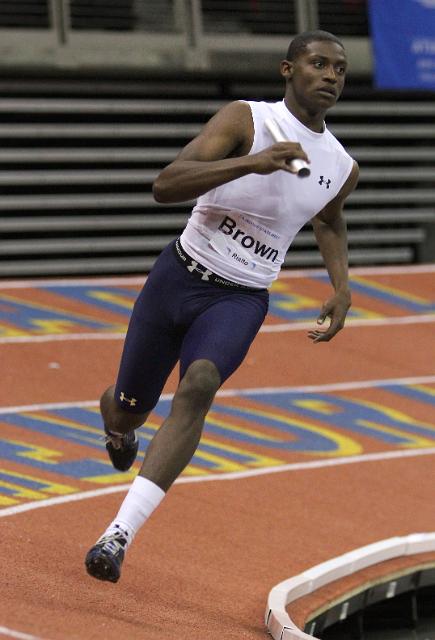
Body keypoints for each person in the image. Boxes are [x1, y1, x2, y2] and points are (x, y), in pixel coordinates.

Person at [85, 29, 359, 583]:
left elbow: (328, 220)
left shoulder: (340, 164)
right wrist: (251, 163)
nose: (330, 76)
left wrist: (342, 285)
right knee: (129, 407)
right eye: (318, 64)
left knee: (200, 384)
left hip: (241, 296)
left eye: (340, 69)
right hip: (178, 278)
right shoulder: (245, 121)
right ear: (288, 70)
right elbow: (166, 185)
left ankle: (117, 535)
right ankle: (117, 424)